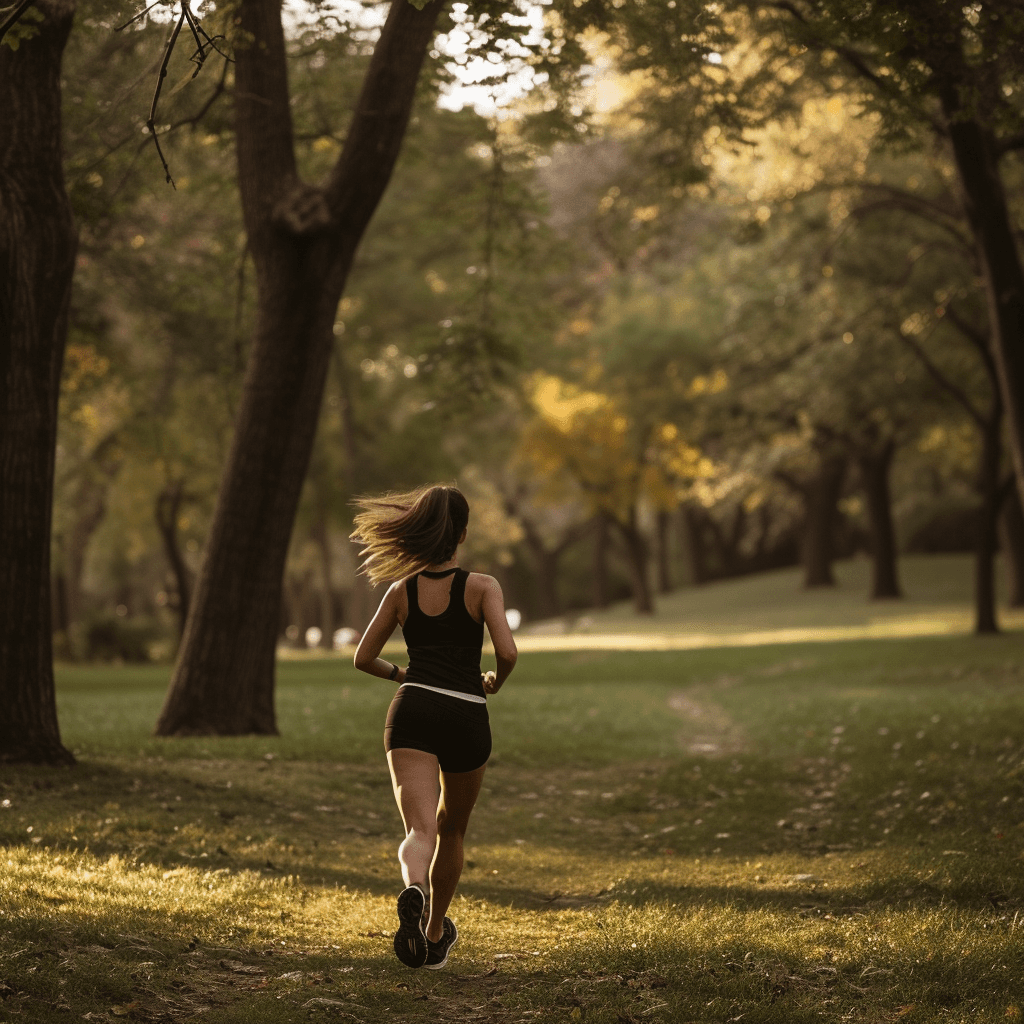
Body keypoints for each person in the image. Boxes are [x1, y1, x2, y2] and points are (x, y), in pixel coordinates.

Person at [351, 484, 518, 969]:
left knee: (419, 829)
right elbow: (507, 652)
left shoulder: (400, 591)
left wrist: (402, 674)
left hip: (412, 711)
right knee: (453, 830)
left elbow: (363, 658)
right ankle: (434, 930)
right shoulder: (482, 586)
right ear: (462, 533)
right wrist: (494, 681)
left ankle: (412, 887)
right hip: (466, 712)